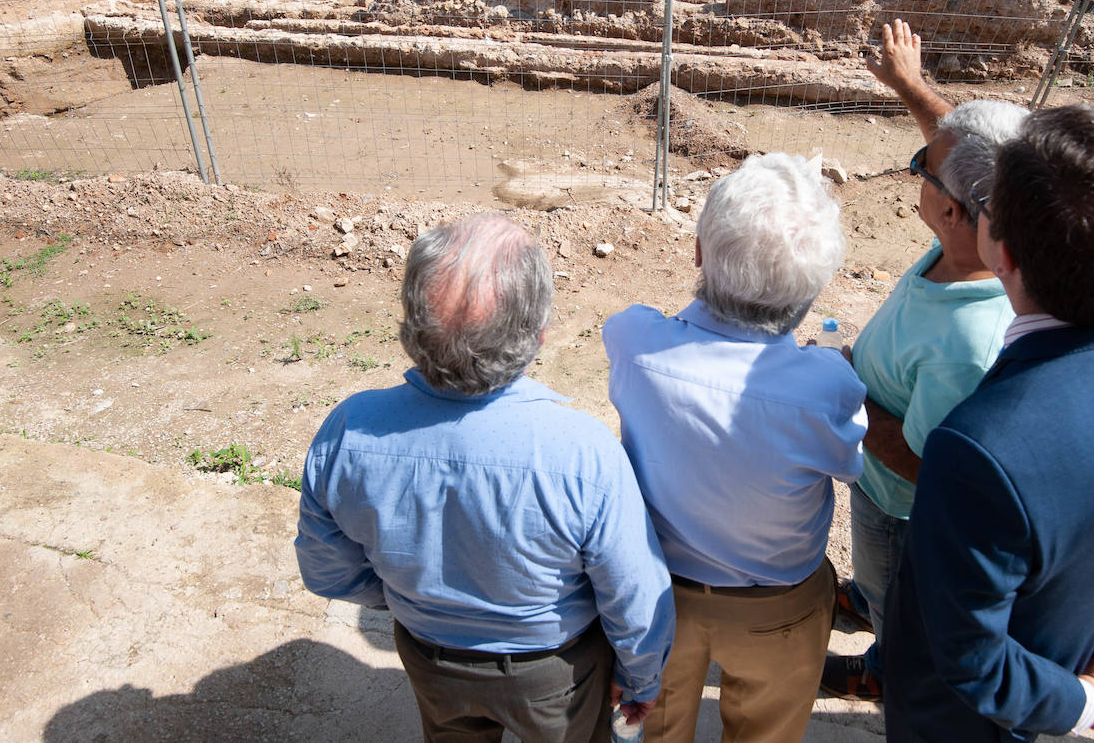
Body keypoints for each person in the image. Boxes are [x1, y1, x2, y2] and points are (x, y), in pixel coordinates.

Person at [881, 104, 1094, 741]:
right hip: (1067, 643)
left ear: (1000, 249)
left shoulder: (978, 449)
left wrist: (1080, 703)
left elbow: (973, 661)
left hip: (961, 716)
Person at [295, 214, 675, 743]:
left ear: (411, 325)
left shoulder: (347, 433)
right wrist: (641, 678)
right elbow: (633, 596)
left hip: (430, 658)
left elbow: (326, 573)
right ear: (538, 332)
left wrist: (407, 600)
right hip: (555, 673)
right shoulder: (584, 454)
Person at [603, 152, 868, 743]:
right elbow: (852, 466)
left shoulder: (632, 340)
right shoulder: (828, 387)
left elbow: (655, 326)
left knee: (656, 725)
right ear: (816, 284)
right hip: (778, 605)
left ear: (699, 252)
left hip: (661, 594)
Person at [822, 21, 1027, 701]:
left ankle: (883, 660)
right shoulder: (988, 231)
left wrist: (849, 392)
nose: (916, 164)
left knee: (897, 589)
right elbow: (969, 151)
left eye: (919, 165)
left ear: (947, 208)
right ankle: (863, 594)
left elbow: (925, 467)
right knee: (876, 570)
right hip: (880, 486)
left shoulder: (969, 345)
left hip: (899, 504)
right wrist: (910, 87)